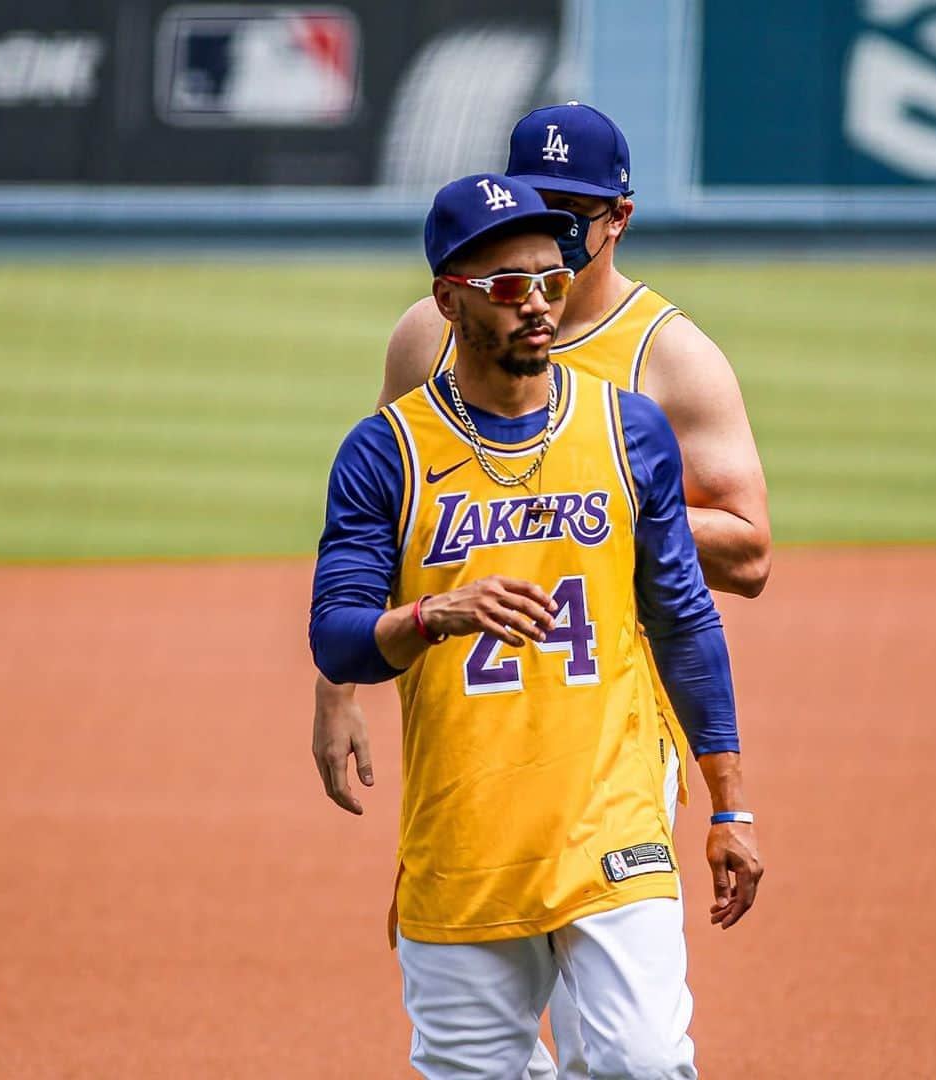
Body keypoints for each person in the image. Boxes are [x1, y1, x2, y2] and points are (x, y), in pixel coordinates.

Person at [313, 103, 768, 1075]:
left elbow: (718, 581)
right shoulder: (400, 407)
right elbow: (365, 573)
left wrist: (590, 516)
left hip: (612, 761)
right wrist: (348, 679)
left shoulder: (656, 379)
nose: (540, 288)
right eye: (515, 270)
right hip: (464, 784)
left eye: (559, 252)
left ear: (617, 220)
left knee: (641, 1061)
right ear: (452, 298)